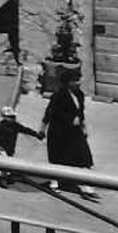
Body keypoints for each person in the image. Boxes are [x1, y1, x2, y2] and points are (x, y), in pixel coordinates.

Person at [42, 66, 97, 197]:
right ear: (68, 82)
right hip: (59, 131)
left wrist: (83, 126)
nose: (79, 82)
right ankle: (54, 183)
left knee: (83, 156)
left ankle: (85, 185)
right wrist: (42, 128)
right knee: (57, 158)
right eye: (76, 80)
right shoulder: (59, 95)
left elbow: (80, 112)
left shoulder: (80, 95)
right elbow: (51, 112)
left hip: (75, 132)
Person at [0, 105, 42, 187]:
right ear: (5, 117)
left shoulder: (15, 125)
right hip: (2, 148)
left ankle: (7, 177)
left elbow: (25, 129)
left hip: (10, 148)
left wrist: (36, 134)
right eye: (10, 117)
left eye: (13, 117)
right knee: (4, 163)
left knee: (9, 163)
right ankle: (3, 179)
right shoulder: (0, 126)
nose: (12, 118)